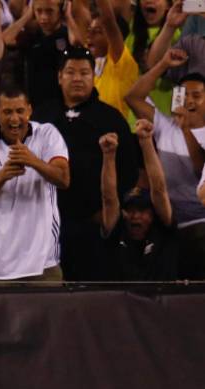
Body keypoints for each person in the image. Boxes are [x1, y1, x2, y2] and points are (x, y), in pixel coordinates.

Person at [34, 45, 137, 282]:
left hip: (94, 228)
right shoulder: (41, 117)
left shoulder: (111, 119)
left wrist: (109, 210)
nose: (77, 78)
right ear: (59, 77)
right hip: (47, 228)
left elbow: (129, 172)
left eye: (84, 73)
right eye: (70, 72)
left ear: (94, 77)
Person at [0, 85, 69, 283]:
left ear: (29, 110)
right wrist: (4, 174)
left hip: (42, 263)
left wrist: (33, 160)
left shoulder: (47, 134)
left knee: (46, 315)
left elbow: (64, 179)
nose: (14, 119)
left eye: (20, 111)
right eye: (7, 112)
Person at [124, 48, 205, 278]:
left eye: (197, 95)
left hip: (201, 224)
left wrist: (188, 128)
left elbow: (200, 169)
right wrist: (162, 65)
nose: (189, 100)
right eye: (184, 94)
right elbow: (132, 97)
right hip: (170, 225)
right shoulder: (165, 125)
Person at [99, 121, 179, 280]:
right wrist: (108, 156)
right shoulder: (118, 230)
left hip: (161, 301)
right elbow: (109, 199)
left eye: (142, 210)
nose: (135, 216)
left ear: (153, 213)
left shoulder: (162, 228)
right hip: (122, 302)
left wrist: (146, 142)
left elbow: (159, 189)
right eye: (130, 210)